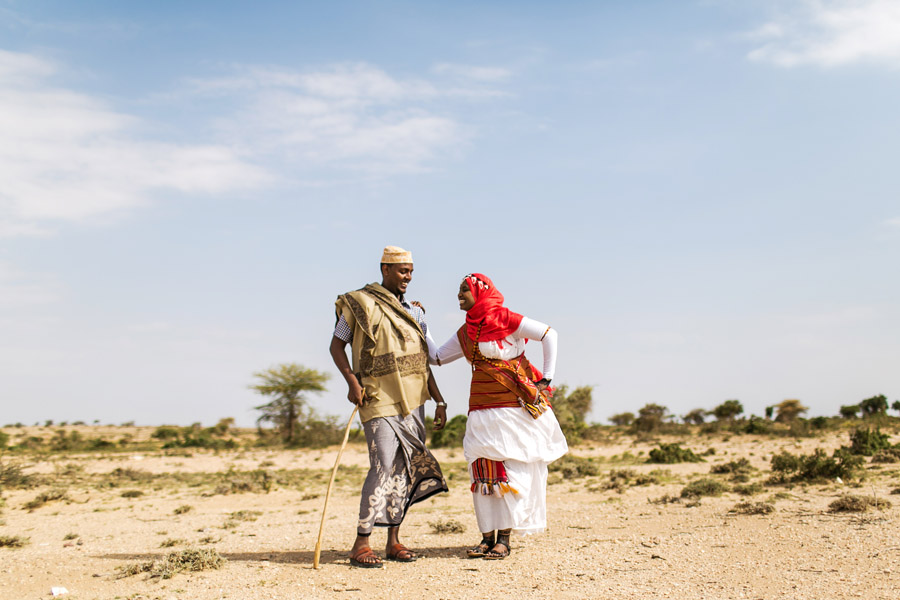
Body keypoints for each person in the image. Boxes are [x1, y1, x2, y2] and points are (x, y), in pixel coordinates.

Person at [428, 273, 568, 560]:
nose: (458, 295)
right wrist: (421, 324)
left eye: (464, 290)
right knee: (482, 473)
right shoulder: (466, 331)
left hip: (512, 411)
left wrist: (548, 377)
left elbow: (548, 334)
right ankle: (485, 538)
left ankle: (504, 540)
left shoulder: (505, 318)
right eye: (458, 290)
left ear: (480, 292)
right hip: (480, 411)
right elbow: (438, 357)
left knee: (510, 473)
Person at [329, 246, 449, 568]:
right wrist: (352, 382)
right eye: (402, 271)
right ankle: (361, 543)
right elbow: (336, 345)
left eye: (411, 271)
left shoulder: (417, 313)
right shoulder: (360, 304)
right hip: (377, 396)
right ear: (385, 269)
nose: (408, 277)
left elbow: (424, 361)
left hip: (414, 399)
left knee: (402, 469)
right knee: (381, 465)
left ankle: (393, 541)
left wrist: (439, 399)